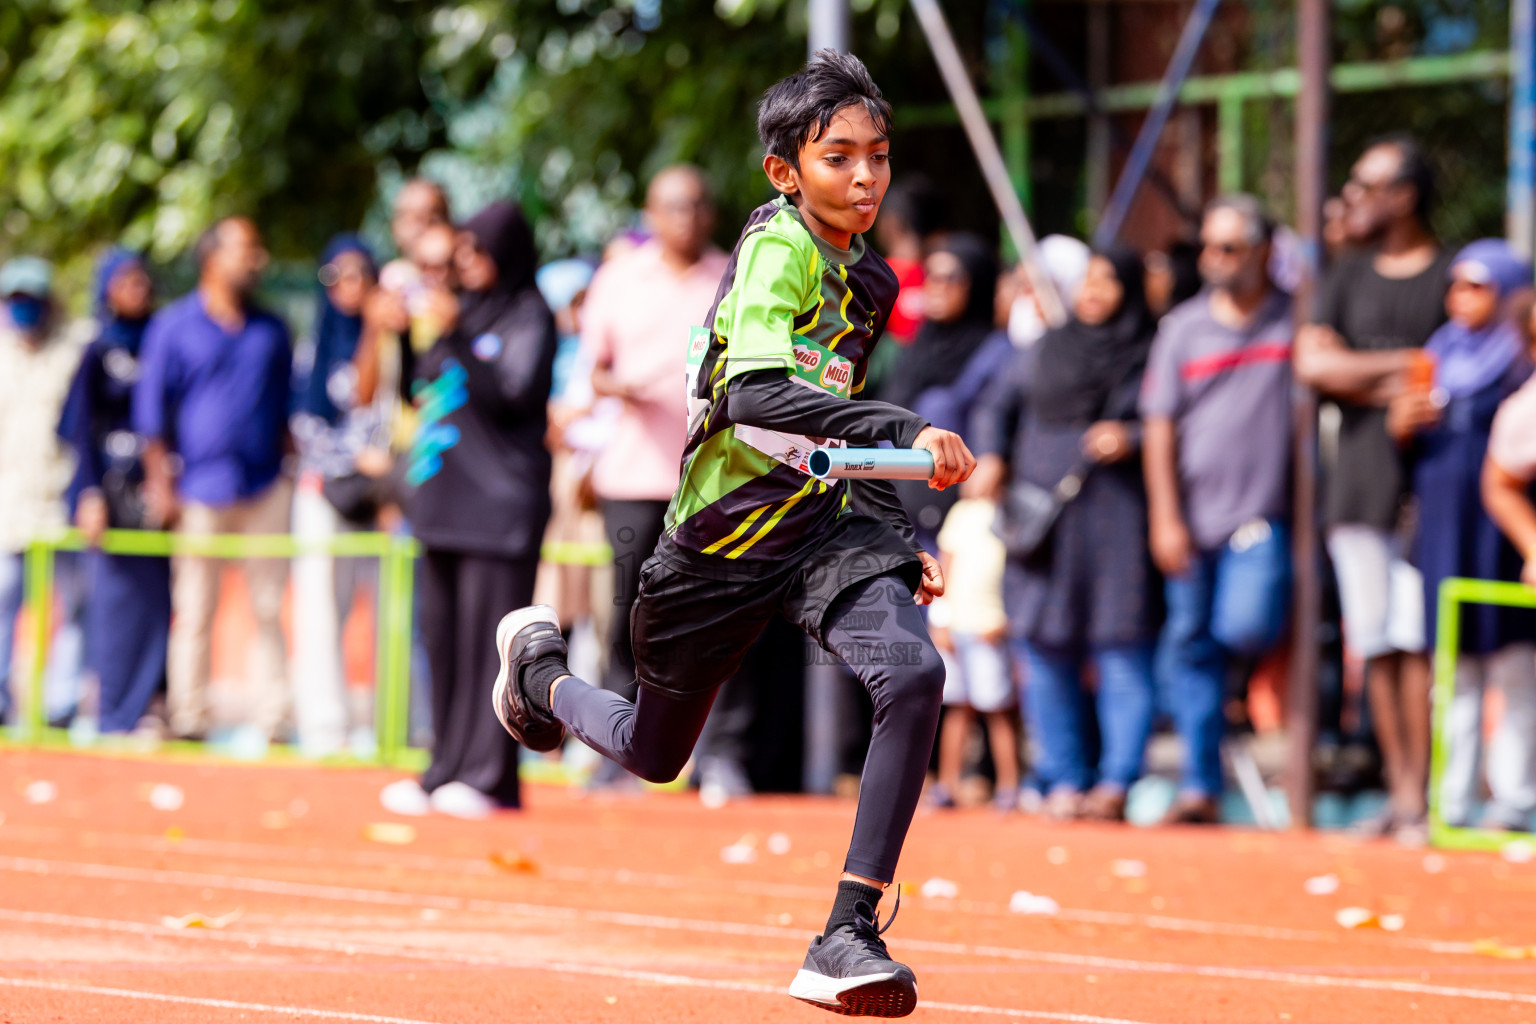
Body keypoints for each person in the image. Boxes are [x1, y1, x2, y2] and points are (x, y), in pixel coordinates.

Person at [491, 51, 972, 1017]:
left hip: (822, 531)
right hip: (718, 539)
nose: (867, 177)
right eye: (840, 158)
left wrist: (895, 528)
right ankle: (539, 674)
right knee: (655, 751)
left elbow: (829, 419)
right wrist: (903, 430)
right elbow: (756, 392)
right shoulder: (775, 248)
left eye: (878, 156)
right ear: (786, 171)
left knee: (915, 674)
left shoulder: (870, 279)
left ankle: (846, 934)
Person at [1294, 135, 1454, 842]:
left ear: (1406, 195)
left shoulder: (1455, 273)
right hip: (1358, 484)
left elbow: (1456, 372)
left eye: (1366, 185)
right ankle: (1400, 795)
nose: (1352, 198)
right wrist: (1406, 368)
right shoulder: (1346, 274)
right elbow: (1313, 366)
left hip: (1429, 483)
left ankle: (1428, 798)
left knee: (1422, 646)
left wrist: (1360, 369)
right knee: (1377, 643)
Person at [970, 248, 1159, 824]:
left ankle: (1117, 781)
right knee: (1042, 642)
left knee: (1121, 643)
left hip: (1116, 518)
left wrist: (1133, 436)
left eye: (1110, 279)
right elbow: (993, 408)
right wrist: (993, 458)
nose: (1095, 290)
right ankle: (1063, 776)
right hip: (1041, 521)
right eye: (1088, 279)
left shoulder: (1149, 353)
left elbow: (1177, 423)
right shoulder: (1044, 349)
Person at [383, 205, 559, 820]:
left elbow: (515, 394)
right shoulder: (465, 312)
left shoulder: (528, 313)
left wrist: (456, 332)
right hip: (444, 505)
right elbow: (421, 389)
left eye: (478, 252)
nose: (468, 264)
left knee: (496, 655)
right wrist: (405, 336)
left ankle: (489, 778)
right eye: (463, 252)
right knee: (446, 648)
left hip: (500, 510)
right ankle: (444, 769)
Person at [1140, 196, 1295, 824]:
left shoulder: (1295, 321)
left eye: (1228, 247)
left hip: (1260, 518)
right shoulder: (1183, 327)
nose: (1213, 260)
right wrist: (1165, 517)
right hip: (1192, 521)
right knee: (1191, 646)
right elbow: (1158, 427)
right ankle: (1201, 785)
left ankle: (1249, 725)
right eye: (1208, 246)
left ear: (1263, 251)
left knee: (1244, 626)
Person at [577, 166, 729, 738]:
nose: (684, 218)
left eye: (694, 206)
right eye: (672, 206)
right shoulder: (618, 278)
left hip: (714, 481)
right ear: (650, 213)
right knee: (626, 616)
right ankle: (618, 739)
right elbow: (591, 372)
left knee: (715, 617)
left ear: (709, 213)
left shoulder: (733, 278)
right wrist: (620, 388)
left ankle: (715, 753)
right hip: (633, 478)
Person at [1391, 240, 1536, 831]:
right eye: (1456, 285)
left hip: (1501, 539)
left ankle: (1514, 800)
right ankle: (1449, 802)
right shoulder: (1439, 358)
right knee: (1453, 671)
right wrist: (1400, 427)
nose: (1460, 299)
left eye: (1477, 286)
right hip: (1445, 532)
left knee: (1516, 667)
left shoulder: (1521, 366)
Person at [134, 217, 293, 744]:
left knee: (269, 607)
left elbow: (288, 411)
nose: (257, 259)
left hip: (264, 484)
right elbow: (152, 416)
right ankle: (190, 717)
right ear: (212, 258)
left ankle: (273, 720)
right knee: (196, 609)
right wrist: (161, 484)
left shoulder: (272, 330)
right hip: (198, 488)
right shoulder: (174, 326)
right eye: (246, 248)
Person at [57, 250, 171, 735]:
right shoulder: (97, 349)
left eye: (141, 280)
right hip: (107, 494)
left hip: (155, 496)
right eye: (124, 280)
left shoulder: (163, 342)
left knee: (155, 601)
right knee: (107, 603)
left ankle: (148, 706)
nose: (135, 289)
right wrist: (88, 494)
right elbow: (78, 431)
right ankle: (110, 709)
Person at [289, 235, 384, 758]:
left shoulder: (393, 336)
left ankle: (391, 723)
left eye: (358, 275)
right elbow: (310, 417)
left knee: (391, 611)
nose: (347, 287)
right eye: (335, 276)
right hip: (325, 488)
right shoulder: (317, 340)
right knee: (321, 610)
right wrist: (351, 462)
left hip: (382, 495)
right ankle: (325, 727)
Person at [0, 257, 90, 726]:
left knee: (72, 608)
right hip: (8, 508)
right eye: (15, 300)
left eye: (31, 300)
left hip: (61, 506)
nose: (24, 310)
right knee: (3, 605)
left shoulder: (72, 352)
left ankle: (62, 706)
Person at [880, 234, 998, 551]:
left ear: (978, 285)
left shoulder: (994, 353)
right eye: (930, 275)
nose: (936, 285)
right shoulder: (915, 348)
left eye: (951, 277)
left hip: (950, 528)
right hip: (892, 516)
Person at [927, 494, 1017, 811]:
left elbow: (1018, 571)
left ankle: (1009, 789)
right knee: (957, 709)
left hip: (989, 629)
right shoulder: (961, 512)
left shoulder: (1010, 511)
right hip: (957, 627)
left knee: (996, 710)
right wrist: (942, 619)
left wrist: (1006, 619)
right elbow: (945, 566)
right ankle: (946, 786)